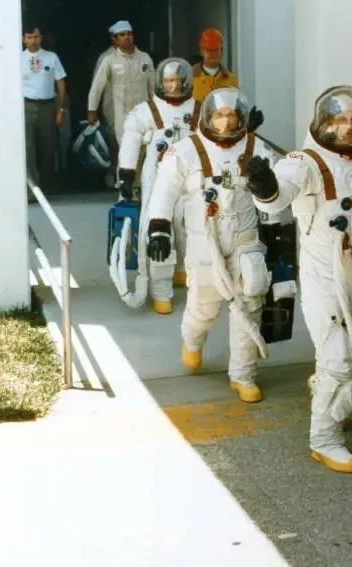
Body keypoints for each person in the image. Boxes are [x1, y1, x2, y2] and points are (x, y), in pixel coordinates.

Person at [247, 85, 352, 474]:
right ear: (324, 123)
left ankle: (330, 394)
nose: (349, 126)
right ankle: (324, 439)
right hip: (324, 277)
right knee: (339, 357)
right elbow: (277, 199)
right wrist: (264, 186)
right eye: (341, 120)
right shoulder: (306, 162)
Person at [145, 87, 268, 402]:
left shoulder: (256, 147)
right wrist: (159, 227)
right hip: (204, 243)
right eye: (219, 115)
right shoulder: (186, 149)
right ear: (208, 118)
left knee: (249, 305)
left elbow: (279, 190)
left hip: (245, 241)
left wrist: (268, 187)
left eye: (232, 115)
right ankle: (193, 340)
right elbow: (164, 188)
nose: (226, 122)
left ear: (241, 118)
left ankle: (243, 375)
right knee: (204, 306)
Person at [114, 58, 201, 314]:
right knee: (157, 232)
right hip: (157, 179)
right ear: (161, 83)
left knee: (191, 230)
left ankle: (183, 271)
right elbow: (130, 142)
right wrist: (126, 175)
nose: (173, 86)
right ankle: (161, 291)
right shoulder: (146, 111)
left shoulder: (199, 110)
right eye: (169, 81)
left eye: (178, 81)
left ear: (186, 82)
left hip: (190, 180)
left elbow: (217, 136)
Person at [86, 20, 155, 143]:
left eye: (129, 33)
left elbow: (152, 86)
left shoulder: (145, 58)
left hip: (143, 111)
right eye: (122, 35)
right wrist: (92, 110)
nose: (127, 37)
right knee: (125, 146)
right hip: (122, 114)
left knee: (146, 145)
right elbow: (97, 87)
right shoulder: (109, 60)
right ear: (115, 39)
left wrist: (157, 108)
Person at [21, 23, 68, 199]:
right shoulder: (18, 58)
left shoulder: (51, 57)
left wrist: (61, 109)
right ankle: (32, 189)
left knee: (48, 148)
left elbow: (60, 84)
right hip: (26, 106)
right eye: (30, 37)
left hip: (48, 106)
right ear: (23, 39)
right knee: (28, 148)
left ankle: (46, 186)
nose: (34, 40)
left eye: (36, 37)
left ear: (41, 38)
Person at [192, 28, 239, 102]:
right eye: (209, 50)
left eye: (216, 50)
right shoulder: (189, 78)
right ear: (201, 51)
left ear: (222, 50)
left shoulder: (231, 79)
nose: (213, 54)